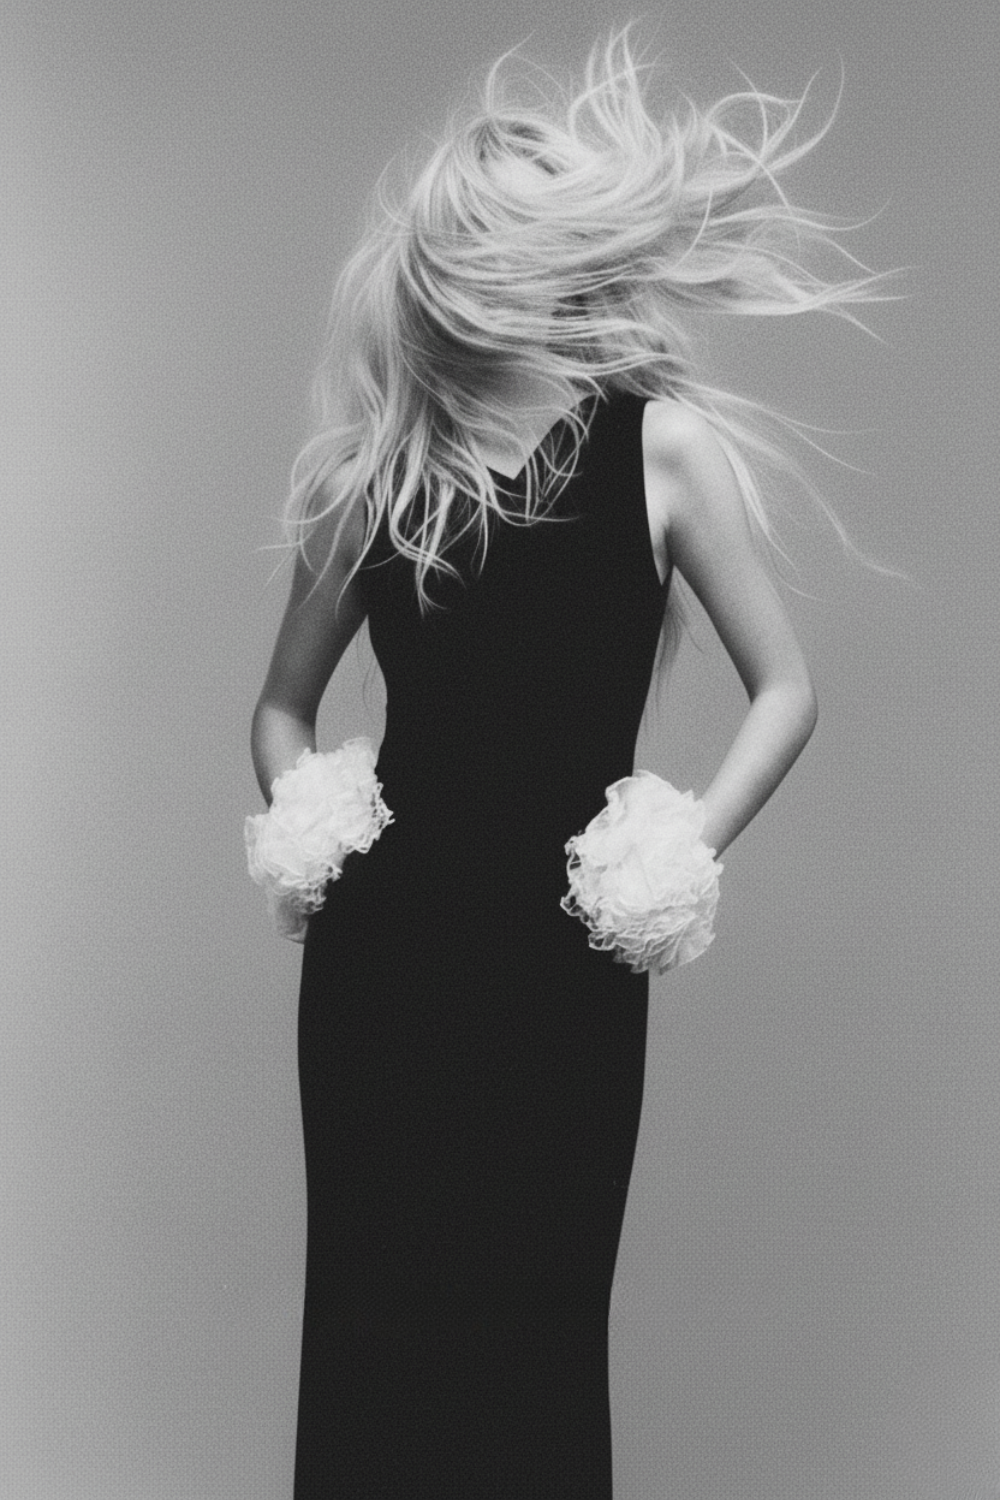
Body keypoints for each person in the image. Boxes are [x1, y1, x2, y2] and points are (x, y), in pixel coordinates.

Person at [249, 27, 884, 1498]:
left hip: (564, 953)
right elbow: (279, 709)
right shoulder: (377, 471)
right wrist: (316, 815)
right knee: (370, 1321)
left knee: (537, 1319)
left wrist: (676, 850)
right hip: (384, 962)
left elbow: (786, 689)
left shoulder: (663, 449)